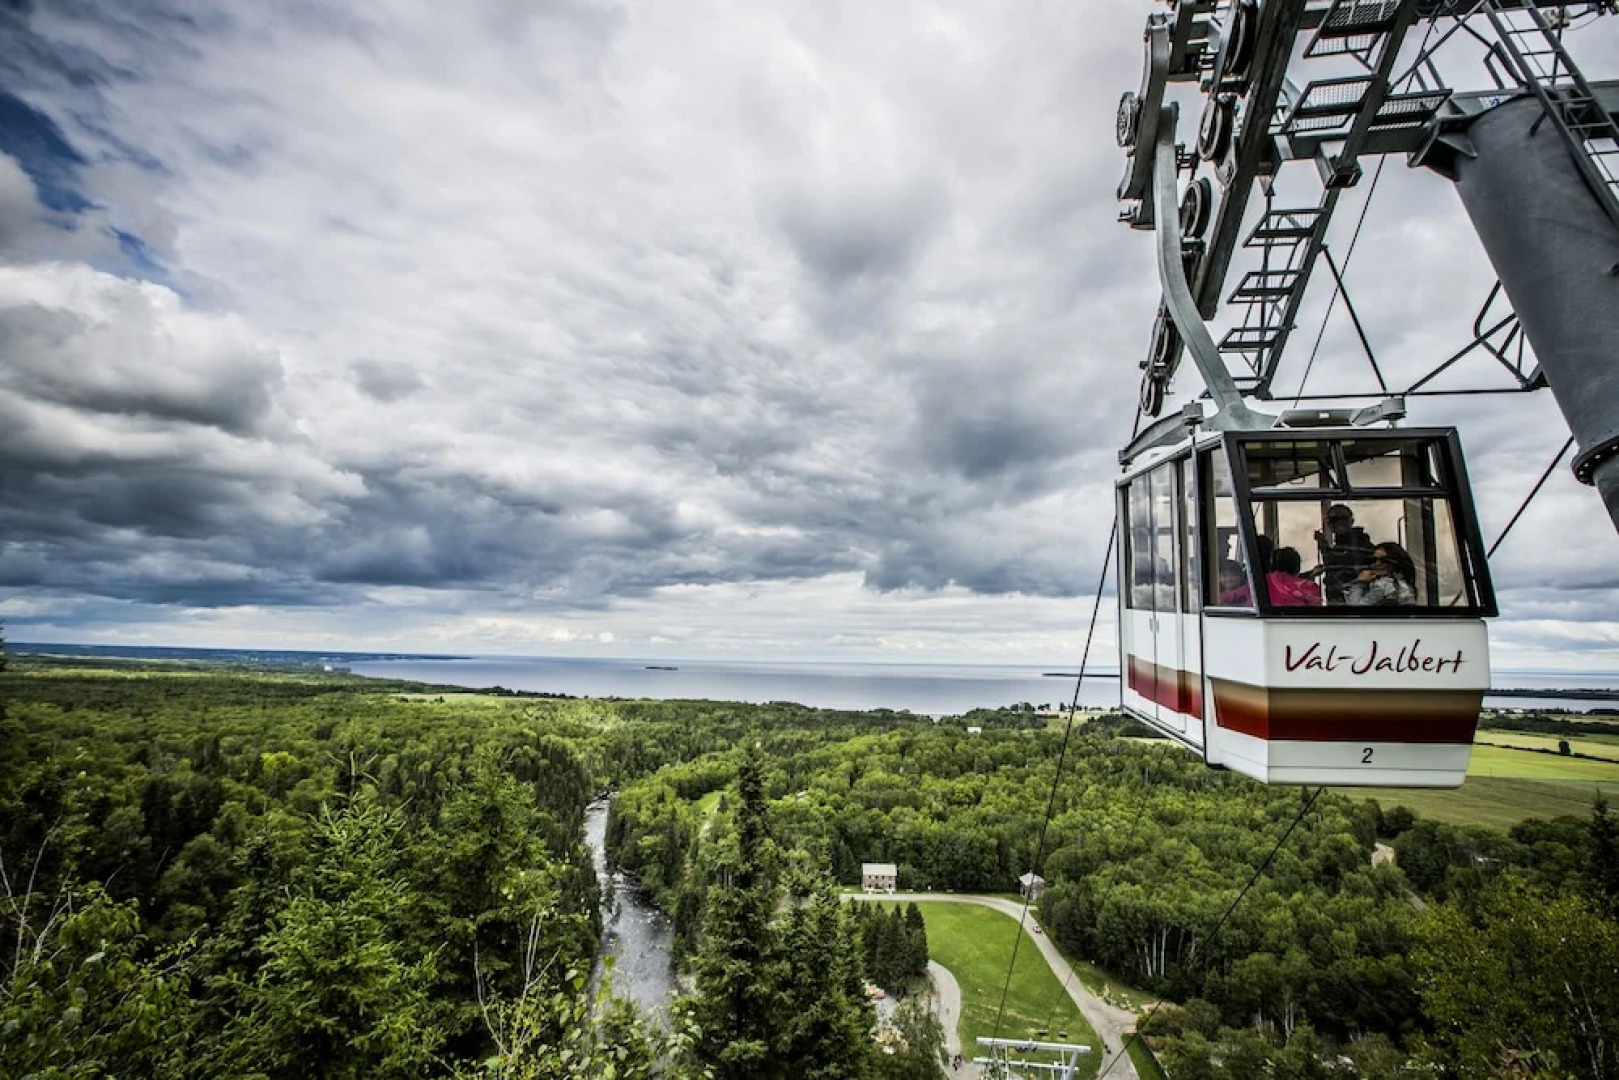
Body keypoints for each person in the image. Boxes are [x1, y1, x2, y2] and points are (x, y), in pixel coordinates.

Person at [1315, 504, 1374, 604]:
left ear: (1351, 521)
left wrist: (1323, 545)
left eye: (1343, 518)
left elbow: (1337, 561)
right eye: (1334, 519)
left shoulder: (1362, 545)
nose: (1339, 522)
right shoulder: (1341, 545)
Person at [1346, 542, 1418, 606]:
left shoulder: (1383, 585)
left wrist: (1360, 583)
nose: (1377, 564)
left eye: (1384, 560)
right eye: (1373, 560)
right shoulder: (1404, 584)